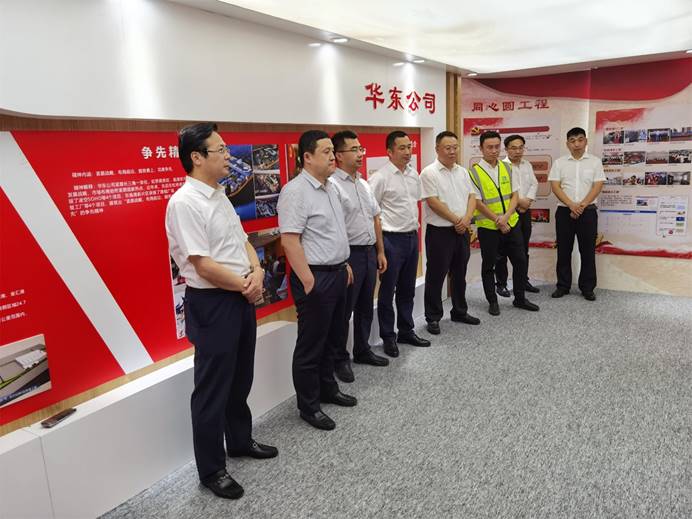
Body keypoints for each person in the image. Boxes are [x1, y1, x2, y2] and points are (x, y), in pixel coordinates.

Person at [165, 122, 277, 500]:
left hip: (240, 295)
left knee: (240, 377)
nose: (229, 156)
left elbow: (242, 242)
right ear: (197, 157)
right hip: (214, 303)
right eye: (221, 150)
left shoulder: (220, 195)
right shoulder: (184, 203)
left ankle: (240, 441)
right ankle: (212, 469)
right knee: (212, 389)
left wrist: (257, 270)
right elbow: (201, 264)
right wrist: (247, 285)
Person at [277, 130, 357, 431]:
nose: (333, 157)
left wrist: (344, 264)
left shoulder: (331, 187)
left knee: (333, 338)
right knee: (311, 345)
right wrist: (309, 280)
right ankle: (309, 406)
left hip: (337, 272)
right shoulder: (295, 192)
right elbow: (290, 240)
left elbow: (334, 232)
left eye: (333, 151)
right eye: (326, 152)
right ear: (307, 157)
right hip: (316, 278)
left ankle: (328, 389)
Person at [330, 130, 390, 383]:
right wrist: (343, 261)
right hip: (349, 256)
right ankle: (339, 359)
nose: (359, 154)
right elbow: (334, 227)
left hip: (368, 252)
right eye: (354, 150)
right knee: (344, 311)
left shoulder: (364, 184)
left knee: (365, 305)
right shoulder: (332, 186)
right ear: (338, 155)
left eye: (360, 149)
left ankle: (362, 349)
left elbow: (376, 218)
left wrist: (380, 250)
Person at [368, 131, 431, 358]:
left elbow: (414, 203)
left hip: (411, 237)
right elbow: (371, 213)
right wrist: (380, 248)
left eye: (409, 147)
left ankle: (406, 331)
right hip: (390, 239)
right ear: (389, 151)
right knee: (387, 291)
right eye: (402, 148)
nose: (407, 152)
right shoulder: (380, 177)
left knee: (407, 289)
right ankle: (388, 336)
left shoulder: (413, 174)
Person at [468, 130, 539, 316]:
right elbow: (477, 202)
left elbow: (515, 195)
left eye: (496, 147)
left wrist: (506, 217)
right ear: (481, 148)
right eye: (489, 147)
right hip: (488, 227)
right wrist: (497, 220)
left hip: (512, 223)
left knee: (520, 261)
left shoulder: (508, 167)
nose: (494, 151)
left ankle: (520, 298)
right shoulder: (473, 172)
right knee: (489, 266)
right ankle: (492, 301)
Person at [420, 131, 480, 335]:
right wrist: (457, 220)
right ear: (437, 149)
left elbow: (472, 197)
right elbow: (433, 202)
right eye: (448, 148)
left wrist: (466, 219)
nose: (452, 151)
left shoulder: (462, 172)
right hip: (440, 233)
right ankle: (433, 317)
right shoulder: (429, 173)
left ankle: (459, 311)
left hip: (462, 231)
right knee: (436, 275)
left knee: (460, 273)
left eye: (455, 147)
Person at [548, 127, 605, 301]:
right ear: (567, 144)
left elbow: (597, 186)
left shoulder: (595, 162)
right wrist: (571, 205)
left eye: (580, 139)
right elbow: (555, 186)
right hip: (564, 212)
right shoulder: (559, 163)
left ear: (586, 141)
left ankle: (587, 288)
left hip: (588, 212)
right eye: (572, 141)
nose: (577, 144)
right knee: (563, 250)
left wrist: (582, 205)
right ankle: (563, 286)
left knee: (587, 251)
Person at [495, 134, 540, 297]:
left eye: (521, 147)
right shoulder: (501, 167)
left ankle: (522, 281)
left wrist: (528, 200)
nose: (518, 151)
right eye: (514, 148)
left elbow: (534, 183)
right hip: (508, 213)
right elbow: (504, 191)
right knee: (502, 251)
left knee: (523, 249)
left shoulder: (527, 164)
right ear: (506, 149)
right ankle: (501, 284)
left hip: (524, 212)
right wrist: (520, 202)